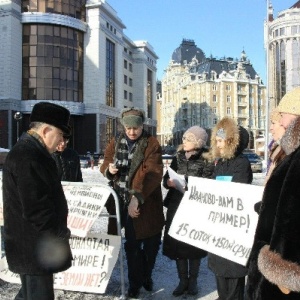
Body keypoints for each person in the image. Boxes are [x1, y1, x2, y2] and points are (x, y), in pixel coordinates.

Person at [2, 102, 73, 300]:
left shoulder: (33, 152)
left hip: (34, 246)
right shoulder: (28, 156)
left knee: (28, 294)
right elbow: (37, 209)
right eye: (60, 134)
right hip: (33, 248)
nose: (61, 141)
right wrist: (59, 233)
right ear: (46, 130)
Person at [100, 107, 165, 299]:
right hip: (121, 199)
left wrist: (136, 197)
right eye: (128, 128)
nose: (132, 132)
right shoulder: (116, 141)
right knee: (132, 246)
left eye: (135, 128)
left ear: (142, 126)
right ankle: (135, 284)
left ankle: (146, 275)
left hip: (146, 200)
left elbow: (152, 173)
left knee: (151, 245)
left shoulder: (151, 143)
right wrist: (108, 169)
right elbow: (105, 161)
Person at [246, 87, 300, 300]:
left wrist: (285, 275)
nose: (276, 123)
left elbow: (293, 217)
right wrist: (267, 206)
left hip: (281, 278)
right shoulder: (291, 155)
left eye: (282, 115)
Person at [162, 126, 214, 297]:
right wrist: (168, 182)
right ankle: (182, 280)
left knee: (193, 246)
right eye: (184, 138)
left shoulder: (207, 159)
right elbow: (165, 179)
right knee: (177, 245)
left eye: (188, 139)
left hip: (195, 208)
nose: (184, 142)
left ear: (198, 143)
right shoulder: (178, 157)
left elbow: (208, 183)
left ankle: (193, 281)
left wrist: (188, 183)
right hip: (176, 206)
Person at [207, 117, 253, 300]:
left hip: (233, 231)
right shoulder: (220, 162)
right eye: (216, 141)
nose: (217, 145)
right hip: (219, 228)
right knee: (219, 273)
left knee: (233, 277)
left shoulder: (241, 163)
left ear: (231, 142)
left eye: (220, 141)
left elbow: (236, 191)